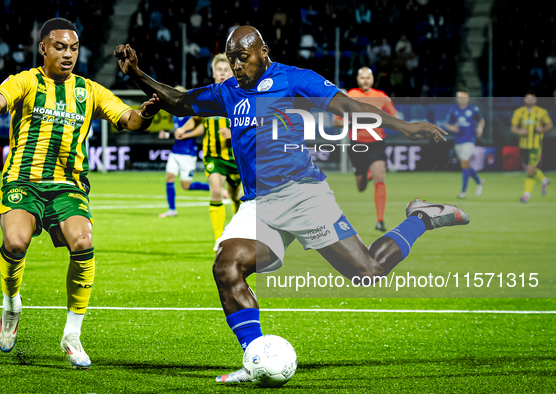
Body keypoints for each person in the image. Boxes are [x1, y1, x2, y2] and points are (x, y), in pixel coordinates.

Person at [115, 25, 469, 383]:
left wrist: (403, 126)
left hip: (303, 194)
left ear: (262, 52)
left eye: (243, 57)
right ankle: (255, 357)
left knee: (369, 272)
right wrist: (138, 74)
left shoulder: (293, 79)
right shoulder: (228, 91)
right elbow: (179, 102)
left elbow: (348, 106)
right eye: (232, 58)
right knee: (227, 268)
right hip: (258, 204)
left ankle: (420, 217)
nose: (237, 66)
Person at [0, 18, 158, 370]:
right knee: (15, 244)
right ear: (44, 48)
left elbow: (129, 118)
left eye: (73, 48)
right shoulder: (26, 81)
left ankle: (72, 334)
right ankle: (11, 304)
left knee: (83, 242)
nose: (67, 53)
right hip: (23, 182)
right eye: (60, 47)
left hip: (67, 186)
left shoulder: (90, 90)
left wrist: (145, 114)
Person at [334, 67, 398, 232]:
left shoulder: (382, 97)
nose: (365, 81)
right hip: (357, 144)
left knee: (380, 177)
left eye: (367, 78)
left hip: (377, 143)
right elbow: (337, 121)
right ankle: (365, 173)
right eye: (362, 78)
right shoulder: (349, 96)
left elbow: (395, 118)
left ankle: (380, 221)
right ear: (357, 79)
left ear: (372, 79)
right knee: (361, 187)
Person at [190, 53, 242, 240]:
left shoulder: (241, 96)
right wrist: (182, 132)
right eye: (218, 70)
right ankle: (219, 239)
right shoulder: (205, 96)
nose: (222, 73)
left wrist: (234, 132)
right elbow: (196, 120)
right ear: (213, 73)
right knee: (216, 192)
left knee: (236, 197)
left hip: (236, 157)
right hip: (213, 156)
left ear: (233, 72)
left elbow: (253, 124)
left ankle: (237, 232)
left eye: (225, 70)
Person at [158, 86, 210, 218]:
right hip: (176, 152)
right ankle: (172, 210)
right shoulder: (175, 114)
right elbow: (178, 133)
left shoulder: (191, 111)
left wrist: (185, 135)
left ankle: (215, 188)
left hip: (188, 153)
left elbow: (201, 130)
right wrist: (168, 135)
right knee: (169, 177)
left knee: (186, 186)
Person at [511, 91, 552, 203]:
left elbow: (549, 124)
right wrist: (519, 131)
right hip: (523, 145)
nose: (529, 100)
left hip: (535, 145)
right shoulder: (519, 112)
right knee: (529, 169)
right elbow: (513, 128)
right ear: (524, 100)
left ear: (535, 100)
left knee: (530, 169)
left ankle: (526, 196)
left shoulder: (541, 112)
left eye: (531, 98)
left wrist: (542, 129)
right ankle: (544, 180)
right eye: (527, 98)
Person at [445, 88, 485, 198]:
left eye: (463, 97)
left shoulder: (473, 109)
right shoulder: (453, 110)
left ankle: (463, 192)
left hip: (470, 139)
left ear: (467, 98)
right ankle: (478, 181)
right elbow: (447, 124)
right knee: (465, 164)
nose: (461, 99)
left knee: (464, 162)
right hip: (458, 140)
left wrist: (480, 128)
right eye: (459, 97)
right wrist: (453, 127)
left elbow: (481, 120)